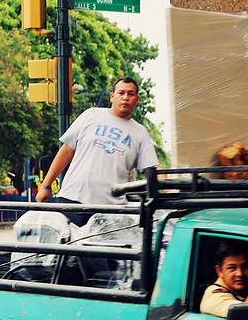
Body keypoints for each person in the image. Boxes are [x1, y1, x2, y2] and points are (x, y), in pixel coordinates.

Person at [36, 76, 158, 224]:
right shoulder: (91, 115)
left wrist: (171, 190)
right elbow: (66, 151)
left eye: (130, 94)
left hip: (111, 210)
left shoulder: (140, 132)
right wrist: (46, 186)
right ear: (112, 96)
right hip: (73, 200)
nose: (125, 97)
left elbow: (151, 169)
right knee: (66, 239)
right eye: (121, 93)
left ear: (136, 100)